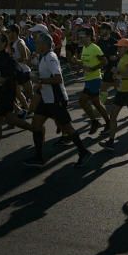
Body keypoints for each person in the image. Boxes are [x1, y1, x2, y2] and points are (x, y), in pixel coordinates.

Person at [27, 34, 92, 167]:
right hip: (46, 99)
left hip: (56, 99)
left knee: (67, 127)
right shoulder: (43, 57)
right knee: (36, 125)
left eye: (37, 42)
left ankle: (83, 151)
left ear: (44, 44)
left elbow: (58, 79)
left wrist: (39, 80)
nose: (35, 44)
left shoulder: (50, 57)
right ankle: (38, 157)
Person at [0, 33, 36, 162]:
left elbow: (17, 75)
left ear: (4, 44)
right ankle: (36, 130)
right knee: (11, 119)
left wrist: (6, 79)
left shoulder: (7, 59)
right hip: (4, 93)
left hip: (7, 94)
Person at [78, 26, 112, 133]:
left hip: (95, 79)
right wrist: (77, 63)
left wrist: (92, 68)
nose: (80, 37)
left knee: (83, 101)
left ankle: (97, 122)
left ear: (88, 36)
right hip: (88, 79)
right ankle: (103, 122)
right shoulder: (84, 47)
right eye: (79, 35)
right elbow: (85, 63)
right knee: (96, 103)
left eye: (82, 35)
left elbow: (105, 62)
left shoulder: (94, 48)